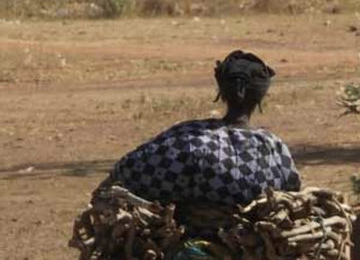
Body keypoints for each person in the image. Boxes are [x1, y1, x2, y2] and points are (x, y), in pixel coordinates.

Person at [112, 50, 300, 209]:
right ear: (261, 96)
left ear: (221, 90)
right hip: (255, 247)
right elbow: (292, 193)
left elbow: (126, 173)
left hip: (190, 244)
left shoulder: (189, 140)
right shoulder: (274, 148)